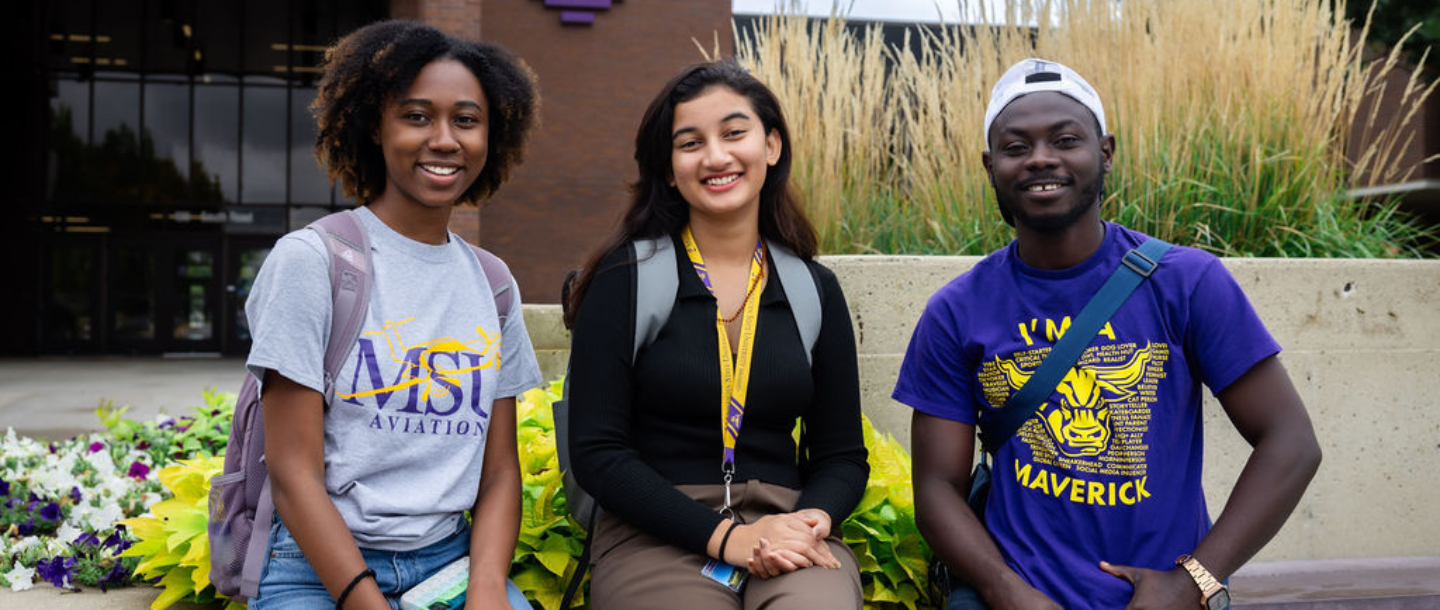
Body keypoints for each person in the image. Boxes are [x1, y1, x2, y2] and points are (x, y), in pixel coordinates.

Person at [893, 59, 1322, 610]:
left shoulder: (1187, 283)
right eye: (1016, 146)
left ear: (1106, 152)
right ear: (990, 165)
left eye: (1066, 139)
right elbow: (937, 488)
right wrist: (1008, 593)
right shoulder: (957, 311)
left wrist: (1193, 582)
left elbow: (1290, 440)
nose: (1041, 158)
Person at [242, 20, 541, 610]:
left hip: (450, 562)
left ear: (491, 136)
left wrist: (485, 589)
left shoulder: (492, 282)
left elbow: (500, 471)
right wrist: (363, 599)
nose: (445, 139)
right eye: (417, 116)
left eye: (466, 119)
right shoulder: (312, 261)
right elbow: (292, 472)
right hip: (318, 565)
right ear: (374, 126)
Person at [564, 61, 869, 609]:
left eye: (734, 133)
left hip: (787, 526)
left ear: (771, 145)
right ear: (668, 165)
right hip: (655, 532)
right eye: (690, 142)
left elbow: (842, 455)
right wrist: (729, 537)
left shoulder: (813, 288)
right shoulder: (624, 280)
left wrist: (809, 521)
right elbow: (598, 452)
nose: (716, 156)